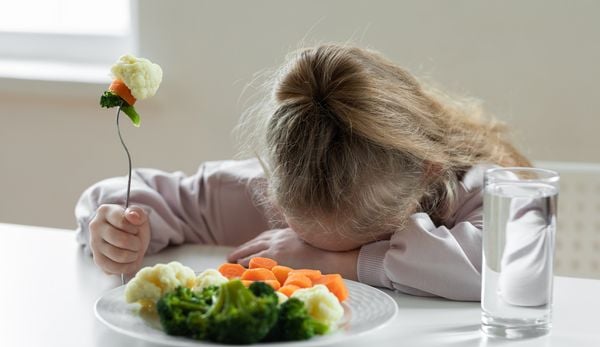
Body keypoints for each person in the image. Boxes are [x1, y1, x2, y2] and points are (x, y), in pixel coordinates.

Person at [75, 43, 531, 301]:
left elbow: (511, 265)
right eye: (308, 239)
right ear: (272, 188)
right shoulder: (255, 194)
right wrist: (117, 226)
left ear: (426, 176)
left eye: (373, 238)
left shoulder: (469, 187)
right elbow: (128, 195)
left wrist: (337, 263)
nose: (310, 251)